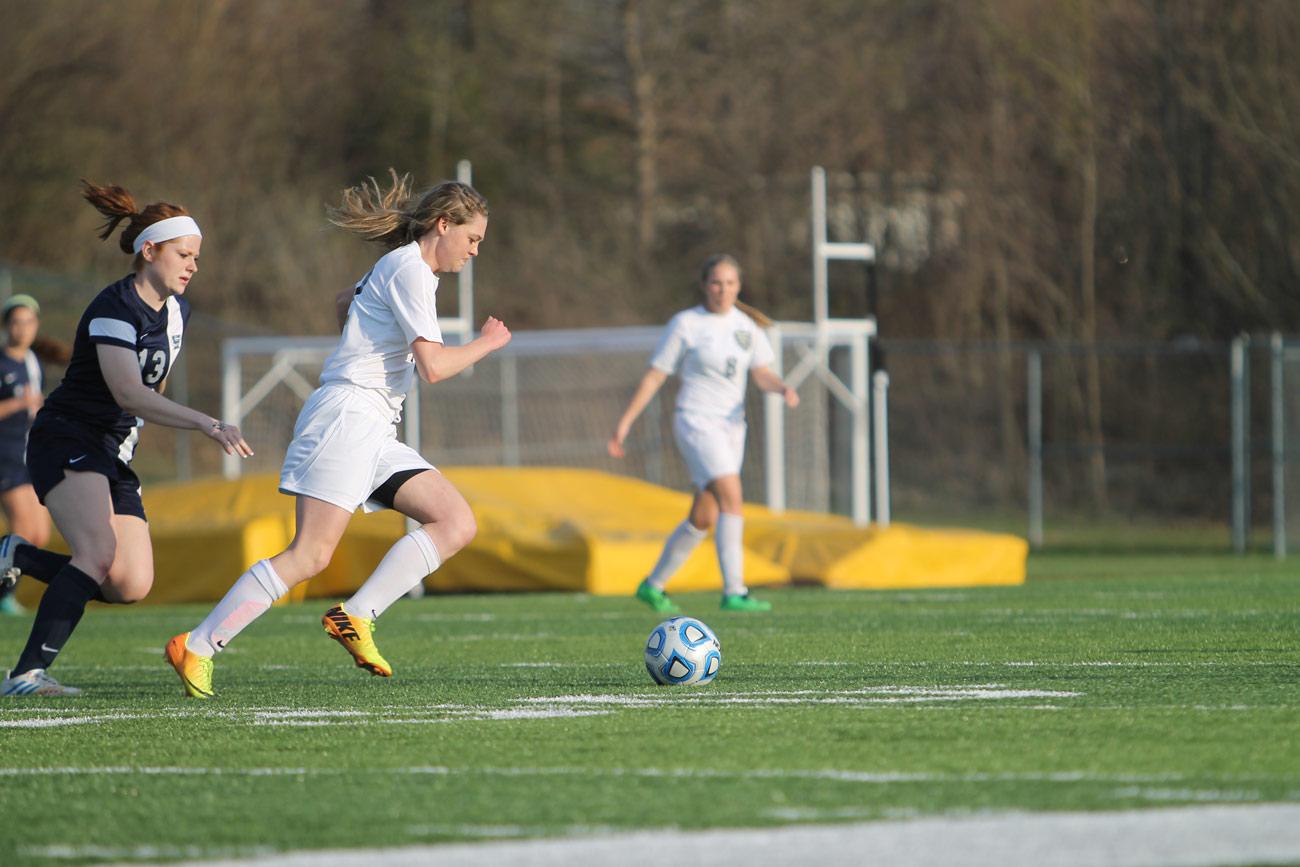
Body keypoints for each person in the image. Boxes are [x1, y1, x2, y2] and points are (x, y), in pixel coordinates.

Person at [166, 172, 510, 699]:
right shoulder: (410, 271)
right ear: (444, 225)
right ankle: (199, 644)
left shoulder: (399, 270)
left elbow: (341, 303)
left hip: (373, 425)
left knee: (455, 521)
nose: (476, 251)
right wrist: (487, 342)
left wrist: (363, 331)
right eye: (473, 239)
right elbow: (435, 367)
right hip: (347, 417)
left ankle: (356, 616)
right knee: (309, 556)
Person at [0, 182, 252, 697]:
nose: (193, 266)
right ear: (149, 250)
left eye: (196, 256)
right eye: (184, 255)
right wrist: (205, 422)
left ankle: (18, 556)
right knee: (94, 554)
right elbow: (129, 393)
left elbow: (146, 394)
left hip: (111, 451)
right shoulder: (115, 307)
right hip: (67, 436)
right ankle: (26, 675)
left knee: (129, 584)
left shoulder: (175, 312)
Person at [608, 254, 799, 613]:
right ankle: (735, 592)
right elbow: (655, 375)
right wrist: (626, 421)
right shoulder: (686, 324)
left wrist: (782, 388)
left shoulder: (747, 328)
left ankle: (652, 586)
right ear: (704, 285)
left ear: (738, 287)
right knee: (732, 497)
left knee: (705, 516)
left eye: (729, 283)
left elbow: (762, 373)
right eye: (715, 282)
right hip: (696, 421)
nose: (722, 290)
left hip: (731, 428)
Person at [0, 295, 55, 615]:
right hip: (5, 454)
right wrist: (19, 404)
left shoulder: (34, 363)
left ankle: (6, 591)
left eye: (28, 322)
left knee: (39, 533)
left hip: (30, 454)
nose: (22, 329)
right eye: (16, 322)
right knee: (21, 527)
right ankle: (4, 596)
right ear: (7, 327)